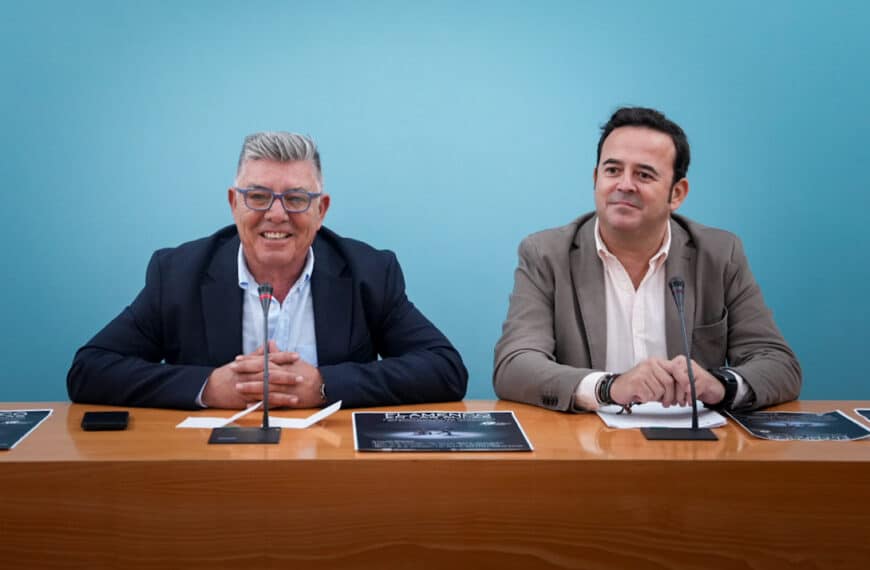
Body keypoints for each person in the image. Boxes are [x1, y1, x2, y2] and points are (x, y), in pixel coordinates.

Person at [68, 132, 467, 409]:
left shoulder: (368, 271)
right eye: (258, 196)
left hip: (333, 470)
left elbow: (445, 369)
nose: (276, 214)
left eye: (295, 198)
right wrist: (208, 388)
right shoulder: (177, 273)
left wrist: (325, 385)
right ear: (233, 203)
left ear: (321, 209)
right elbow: (90, 369)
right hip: (211, 473)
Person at [493, 107, 800, 413]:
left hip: (691, 452)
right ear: (595, 178)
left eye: (643, 174)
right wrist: (609, 387)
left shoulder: (719, 254)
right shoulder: (546, 254)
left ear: (676, 193)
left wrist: (719, 385)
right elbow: (515, 365)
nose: (624, 185)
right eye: (613, 170)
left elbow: (778, 364)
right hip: (585, 448)